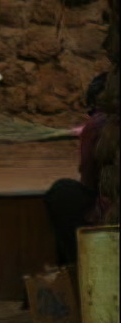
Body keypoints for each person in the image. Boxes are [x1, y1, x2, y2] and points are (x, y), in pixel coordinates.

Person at [43, 73, 110, 264]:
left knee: (63, 193)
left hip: (109, 209)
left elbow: (88, 177)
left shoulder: (99, 125)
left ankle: (76, 268)